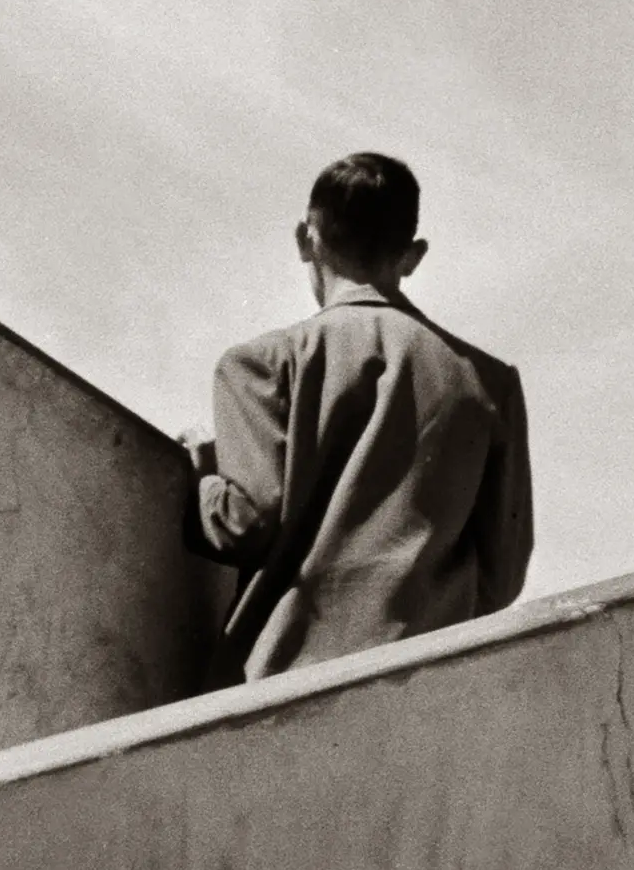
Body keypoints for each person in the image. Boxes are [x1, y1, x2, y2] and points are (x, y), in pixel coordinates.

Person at [183, 152, 532, 684]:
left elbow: (243, 525)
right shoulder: (488, 383)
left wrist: (204, 476)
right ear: (413, 255)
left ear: (306, 238)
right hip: (424, 684)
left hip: (279, 685)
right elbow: (502, 577)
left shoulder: (260, 365)